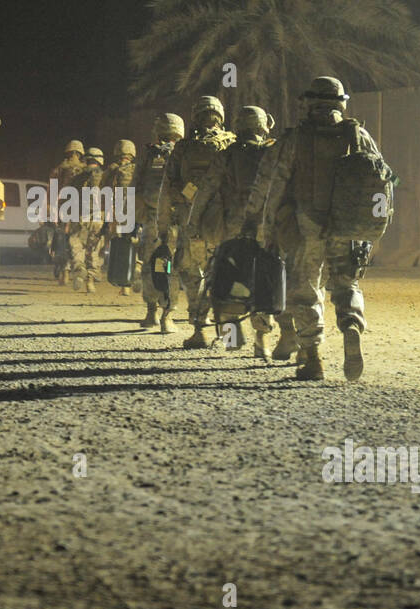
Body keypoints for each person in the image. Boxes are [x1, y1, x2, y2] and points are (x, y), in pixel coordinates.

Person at [239, 76, 386, 381]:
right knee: (346, 285)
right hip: (348, 228)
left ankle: (313, 358)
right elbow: (384, 179)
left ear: (310, 103)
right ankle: (351, 326)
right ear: (340, 102)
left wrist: (262, 227)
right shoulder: (359, 135)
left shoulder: (294, 140)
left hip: (307, 227)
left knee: (304, 291)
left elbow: (272, 186)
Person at [186, 106, 277, 358]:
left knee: (226, 279)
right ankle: (262, 342)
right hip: (264, 230)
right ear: (262, 126)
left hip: (232, 229)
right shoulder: (272, 154)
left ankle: (231, 337)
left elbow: (205, 191)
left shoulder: (227, 156)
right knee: (263, 280)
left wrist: (193, 223)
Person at [157, 95, 235, 348]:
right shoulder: (232, 143)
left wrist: (163, 226)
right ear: (220, 116)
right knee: (223, 274)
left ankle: (200, 330)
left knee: (193, 276)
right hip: (223, 223)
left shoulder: (184, 147)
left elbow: (167, 189)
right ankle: (228, 331)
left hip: (191, 223)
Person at [133, 114, 183, 332]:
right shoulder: (183, 153)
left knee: (150, 264)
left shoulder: (149, 153)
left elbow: (135, 187)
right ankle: (167, 316)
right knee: (168, 266)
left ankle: (151, 312)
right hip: (174, 221)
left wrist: (137, 219)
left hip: (152, 220)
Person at [101, 139, 138, 296]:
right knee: (135, 241)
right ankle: (138, 265)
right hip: (136, 210)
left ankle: (125, 285)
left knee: (121, 245)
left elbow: (104, 189)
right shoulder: (137, 168)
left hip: (119, 211)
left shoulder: (112, 170)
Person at [67, 147, 106, 293]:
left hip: (80, 217)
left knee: (77, 247)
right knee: (95, 251)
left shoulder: (77, 177)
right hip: (98, 219)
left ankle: (79, 269)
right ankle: (90, 282)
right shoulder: (106, 176)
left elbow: (68, 199)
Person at [48, 140, 86, 285]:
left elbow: (52, 191)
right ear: (80, 153)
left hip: (63, 209)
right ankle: (81, 270)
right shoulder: (85, 169)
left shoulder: (59, 169)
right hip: (81, 210)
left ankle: (65, 273)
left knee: (62, 240)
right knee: (77, 241)